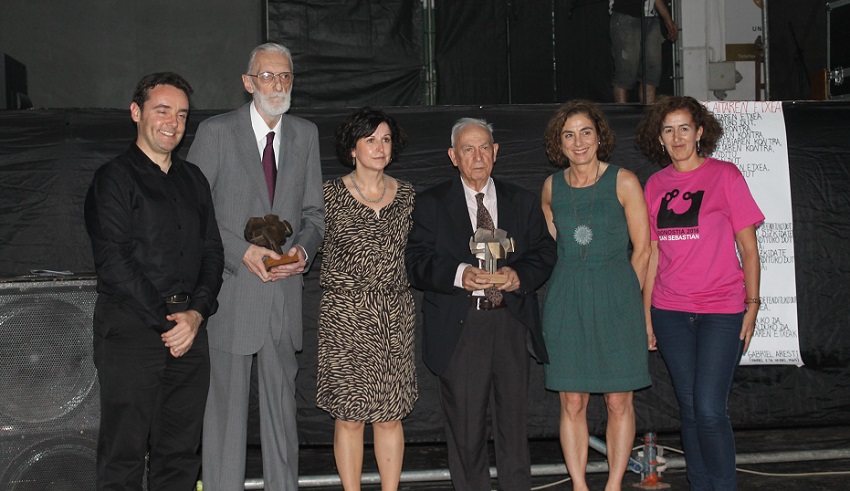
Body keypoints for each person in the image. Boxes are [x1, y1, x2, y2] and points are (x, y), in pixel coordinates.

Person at [186, 43, 325, 490]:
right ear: (248, 83)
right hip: (231, 296)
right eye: (267, 76)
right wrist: (239, 252)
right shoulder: (216, 132)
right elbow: (192, 210)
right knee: (224, 421)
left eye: (285, 76)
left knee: (283, 421)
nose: (278, 85)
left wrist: (302, 253)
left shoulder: (305, 134)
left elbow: (314, 216)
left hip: (282, 300)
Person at [84, 72, 224, 490]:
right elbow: (114, 262)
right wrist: (169, 323)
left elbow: (213, 253)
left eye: (181, 114)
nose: (173, 122)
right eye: (162, 110)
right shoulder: (113, 178)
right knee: (124, 455)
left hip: (190, 333)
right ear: (136, 113)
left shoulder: (194, 179)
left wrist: (196, 315)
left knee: (180, 455)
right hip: (132, 333)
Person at [406, 118, 556, 490]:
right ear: (453, 156)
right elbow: (416, 262)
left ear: (496, 152)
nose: (477, 156)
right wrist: (460, 274)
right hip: (462, 326)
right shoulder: (431, 204)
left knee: (514, 427)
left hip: (510, 322)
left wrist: (519, 276)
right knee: (466, 429)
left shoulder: (521, 200)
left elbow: (544, 251)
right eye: (468, 149)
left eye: (484, 147)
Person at [635, 96, 763, 490]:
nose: (677, 137)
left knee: (709, 409)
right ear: (660, 137)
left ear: (700, 132)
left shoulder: (725, 176)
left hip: (721, 310)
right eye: (668, 129)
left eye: (684, 128)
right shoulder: (655, 185)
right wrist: (646, 316)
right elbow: (653, 254)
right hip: (670, 311)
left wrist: (752, 305)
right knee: (689, 410)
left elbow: (749, 248)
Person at [540, 100, 651, 491]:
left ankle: (614, 484)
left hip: (617, 299)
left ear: (599, 136)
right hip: (567, 301)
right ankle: (580, 486)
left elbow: (644, 249)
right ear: (559, 142)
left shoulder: (624, 181)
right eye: (569, 134)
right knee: (572, 403)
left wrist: (625, 297)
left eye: (586, 132)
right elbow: (556, 244)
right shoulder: (551, 187)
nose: (578, 141)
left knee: (619, 401)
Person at [317, 107, 417, 490]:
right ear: (353, 148)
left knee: (390, 415)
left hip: (393, 314)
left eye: (386, 139)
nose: (380, 146)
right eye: (370, 139)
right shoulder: (327, 195)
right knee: (349, 416)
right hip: (345, 316)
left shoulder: (407, 195)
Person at [610, 0, 678, 103]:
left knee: (652, 71)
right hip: (626, 14)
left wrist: (667, 18)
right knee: (627, 72)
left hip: (651, 17)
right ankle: (621, 114)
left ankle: (648, 115)